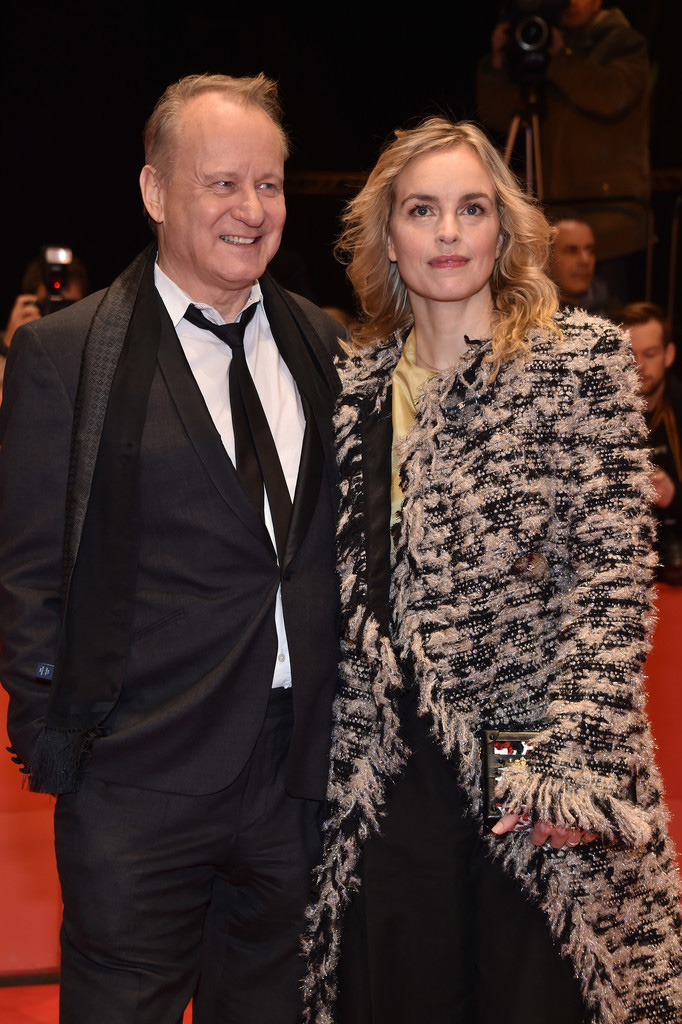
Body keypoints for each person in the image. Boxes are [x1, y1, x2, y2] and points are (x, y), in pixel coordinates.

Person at [301, 118, 682, 1024]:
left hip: (527, 749)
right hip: (387, 769)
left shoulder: (577, 364)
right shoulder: (351, 390)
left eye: (471, 209)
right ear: (387, 233)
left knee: (534, 990)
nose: (447, 232)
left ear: (504, 229)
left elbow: (608, 583)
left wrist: (568, 765)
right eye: (421, 210)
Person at [0, 72, 344, 1024]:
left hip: (298, 778)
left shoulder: (325, 343)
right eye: (221, 183)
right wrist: (64, 738)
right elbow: (27, 574)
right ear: (155, 191)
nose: (251, 209)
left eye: (268, 184)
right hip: (137, 781)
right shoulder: (65, 354)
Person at [476, 0, 651, 305]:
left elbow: (612, 96)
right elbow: (499, 115)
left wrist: (560, 57)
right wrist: (498, 63)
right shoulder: (546, 44)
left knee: (608, 318)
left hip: (611, 215)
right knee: (553, 316)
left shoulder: (623, 41)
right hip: (559, 211)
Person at [620, 301, 682, 583]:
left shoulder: (678, 407)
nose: (640, 365)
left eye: (651, 354)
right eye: (630, 354)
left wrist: (674, 496)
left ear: (669, 354)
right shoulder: (598, 413)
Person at [1, 251, 91, 354]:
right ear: (31, 305)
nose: (59, 318)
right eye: (53, 306)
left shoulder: (93, 349)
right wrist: (9, 347)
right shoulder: (14, 342)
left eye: (69, 307)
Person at [548, 213, 616, 316]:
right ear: (545, 257)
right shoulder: (531, 316)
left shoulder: (616, 315)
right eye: (571, 250)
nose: (585, 260)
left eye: (590, 251)